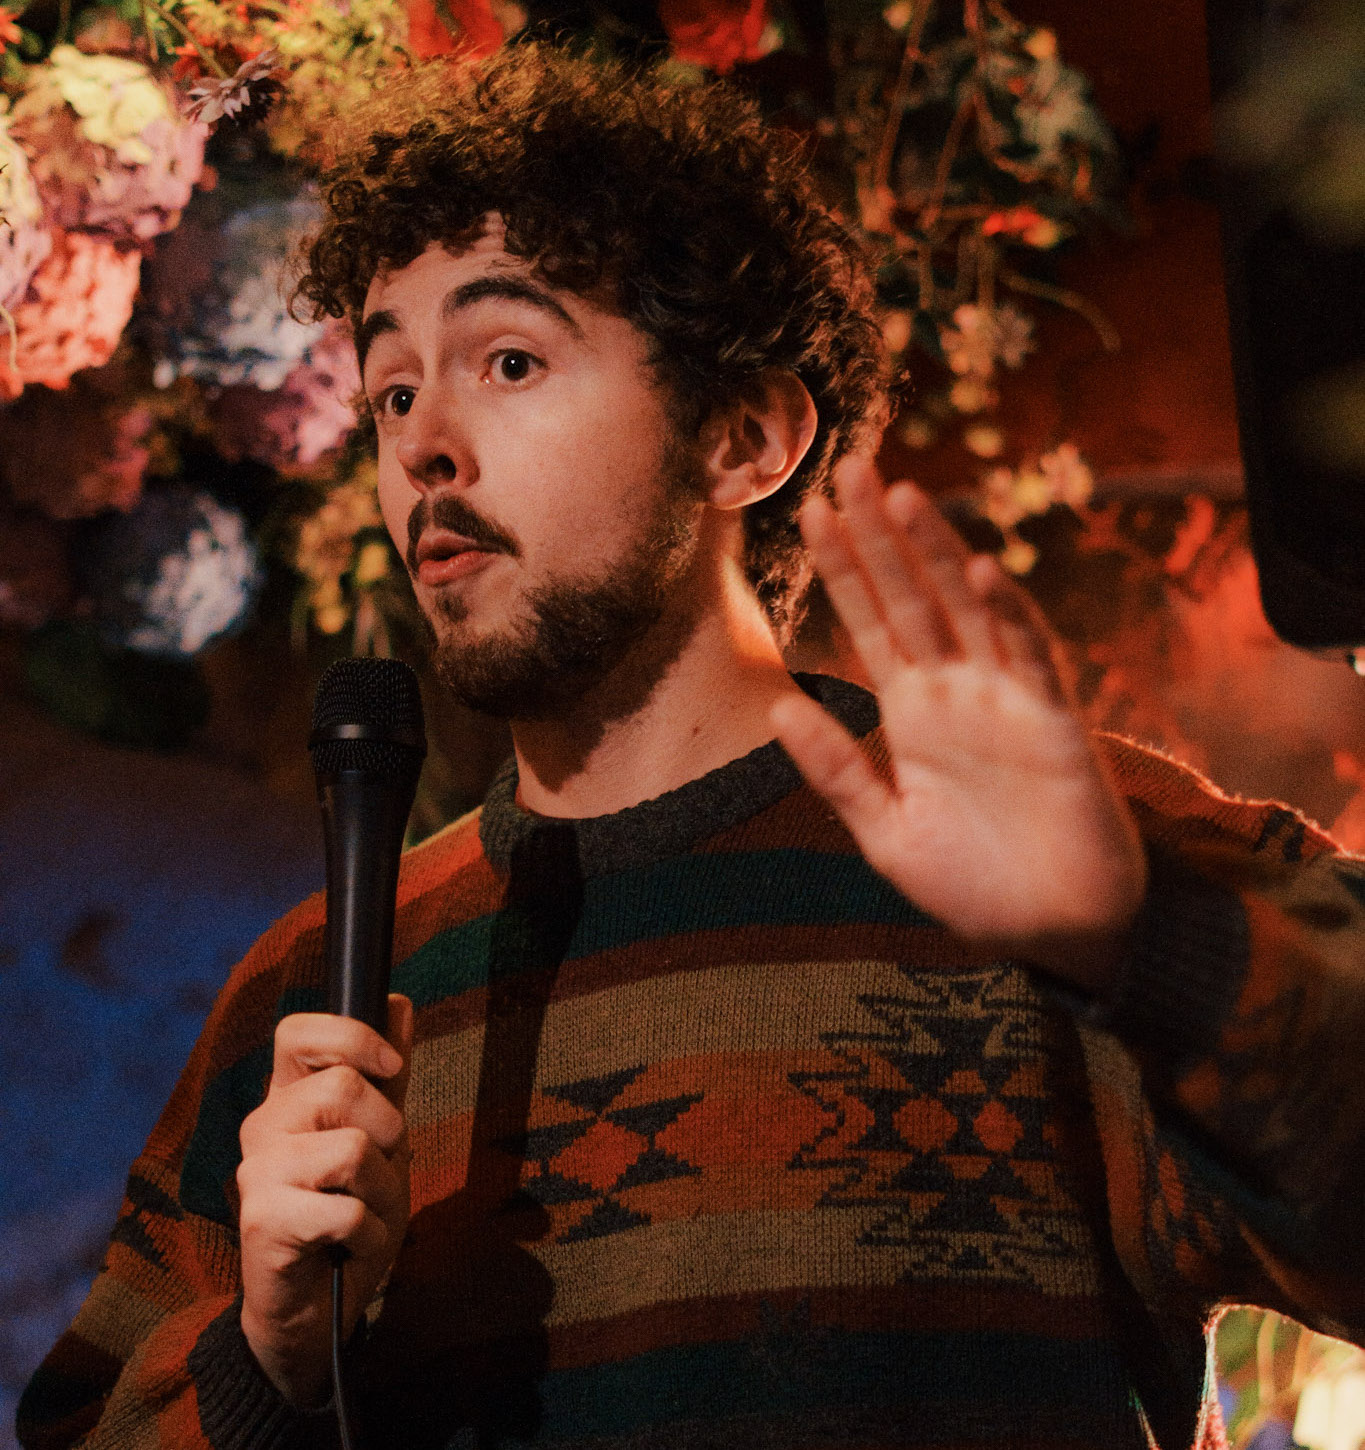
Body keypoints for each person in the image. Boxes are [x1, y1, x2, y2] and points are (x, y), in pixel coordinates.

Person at [18, 41, 1365, 1450]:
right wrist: (264, 1366)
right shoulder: (314, 986)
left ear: (745, 436)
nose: (421, 447)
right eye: (392, 393)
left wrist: (1152, 944)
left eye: (510, 358)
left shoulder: (1058, 860)